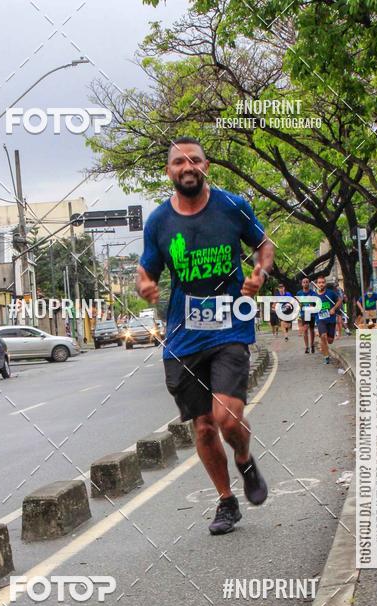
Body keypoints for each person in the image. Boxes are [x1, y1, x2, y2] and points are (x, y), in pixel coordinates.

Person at [136, 137, 274, 535]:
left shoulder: (232, 206)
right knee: (202, 427)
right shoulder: (159, 222)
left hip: (230, 326)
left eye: (194, 160)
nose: (187, 167)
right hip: (183, 337)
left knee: (227, 418)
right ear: (169, 172)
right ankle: (227, 502)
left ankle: (245, 461)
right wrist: (144, 285)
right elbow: (147, 270)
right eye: (179, 162)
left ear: (206, 166)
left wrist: (259, 274)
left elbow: (264, 245)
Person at [313, 274, 342, 364]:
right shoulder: (314, 295)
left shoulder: (330, 293)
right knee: (323, 336)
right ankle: (326, 356)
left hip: (331, 319)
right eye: (319, 283)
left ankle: (324, 344)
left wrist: (333, 308)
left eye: (322, 282)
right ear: (317, 284)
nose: (321, 284)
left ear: (325, 283)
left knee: (330, 340)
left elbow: (340, 300)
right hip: (320, 319)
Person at [296, 275, 317, 354]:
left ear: (309, 283)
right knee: (305, 329)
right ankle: (307, 347)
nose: (305, 283)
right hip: (304, 313)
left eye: (307, 282)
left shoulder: (313, 293)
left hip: (312, 313)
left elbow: (316, 303)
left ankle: (312, 345)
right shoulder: (299, 293)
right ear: (302, 284)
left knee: (311, 330)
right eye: (304, 282)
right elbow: (297, 302)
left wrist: (313, 305)